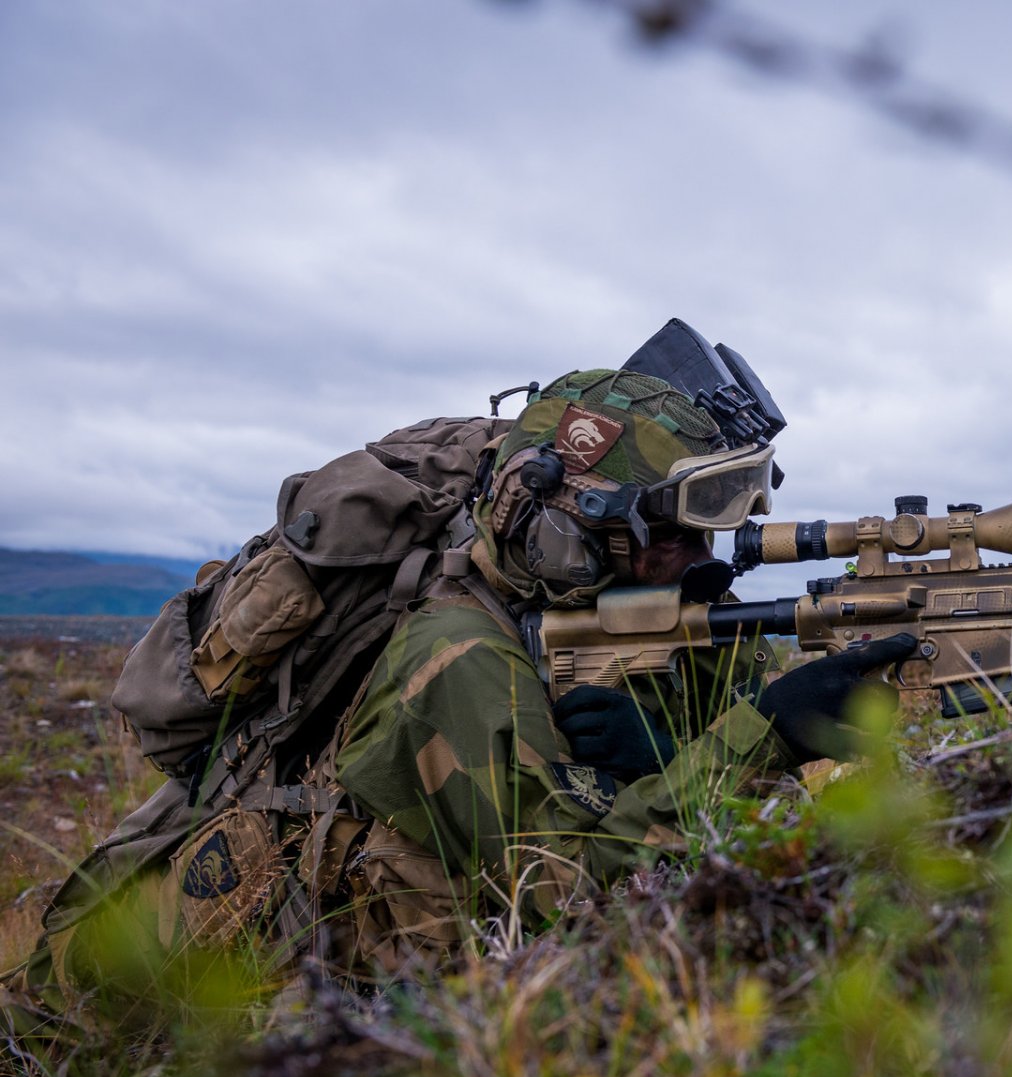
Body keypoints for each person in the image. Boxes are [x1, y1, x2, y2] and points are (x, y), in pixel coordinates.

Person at [21, 358, 913, 990]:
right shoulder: (457, 653)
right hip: (211, 1002)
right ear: (566, 531)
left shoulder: (579, 614)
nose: (692, 559)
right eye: (668, 534)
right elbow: (556, 894)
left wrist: (682, 732)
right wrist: (763, 736)